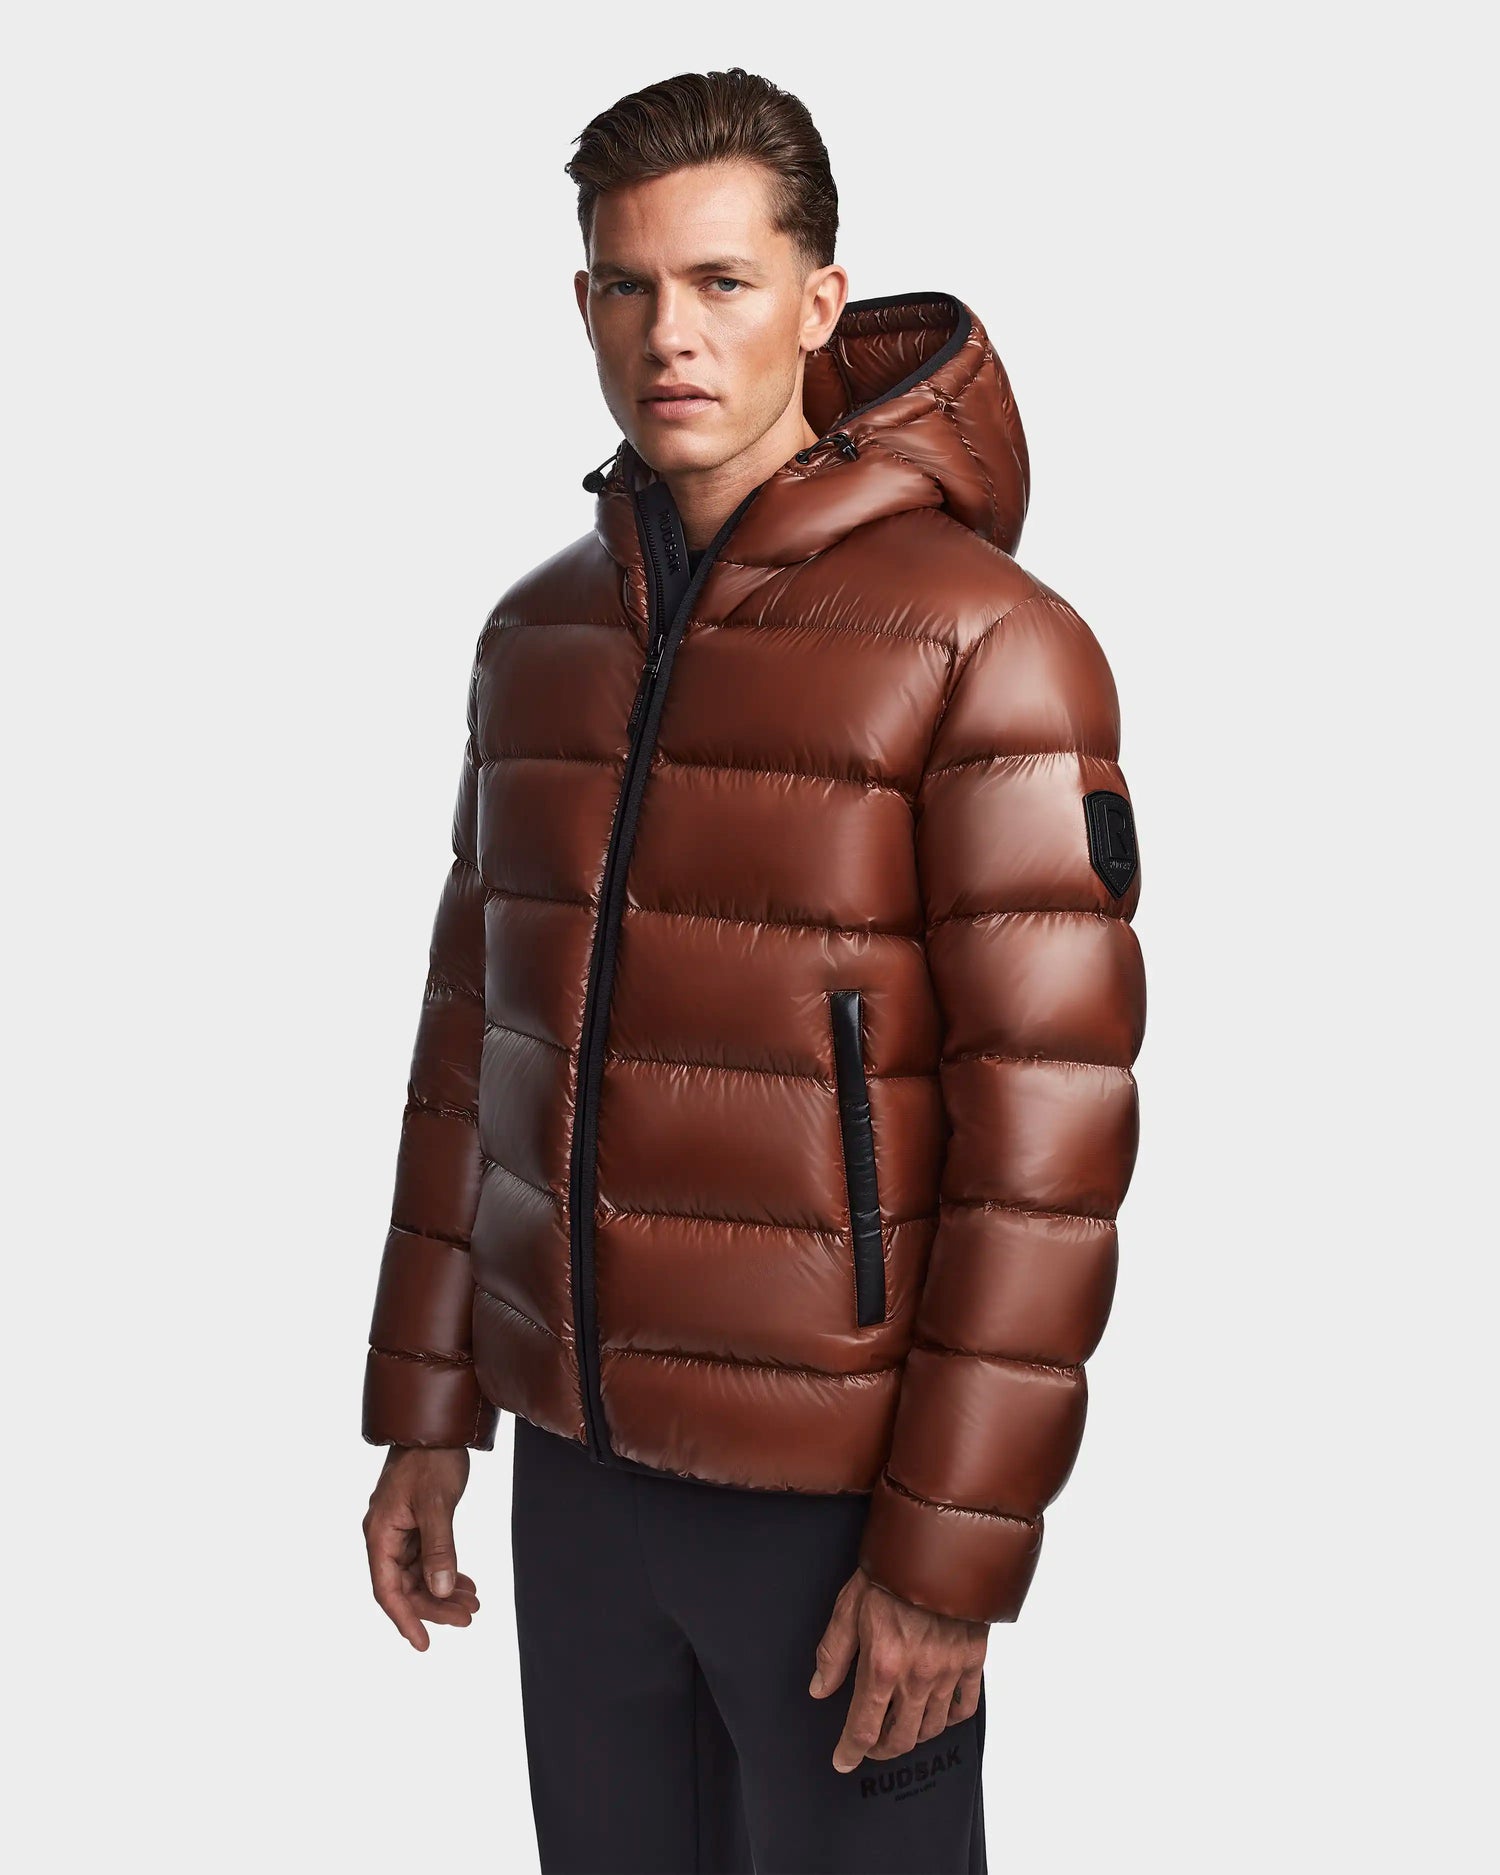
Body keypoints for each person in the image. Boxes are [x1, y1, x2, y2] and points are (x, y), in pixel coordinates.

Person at [359, 66, 1145, 1875]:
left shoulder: (987, 644)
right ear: (582, 302)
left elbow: (1051, 1147)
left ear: (817, 303)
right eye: (630, 285)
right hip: (577, 1470)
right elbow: (472, 1044)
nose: (671, 334)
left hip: (837, 1499)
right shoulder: (538, 636)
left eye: (723, 282)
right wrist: (425, 1410)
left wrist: (949, 1553)